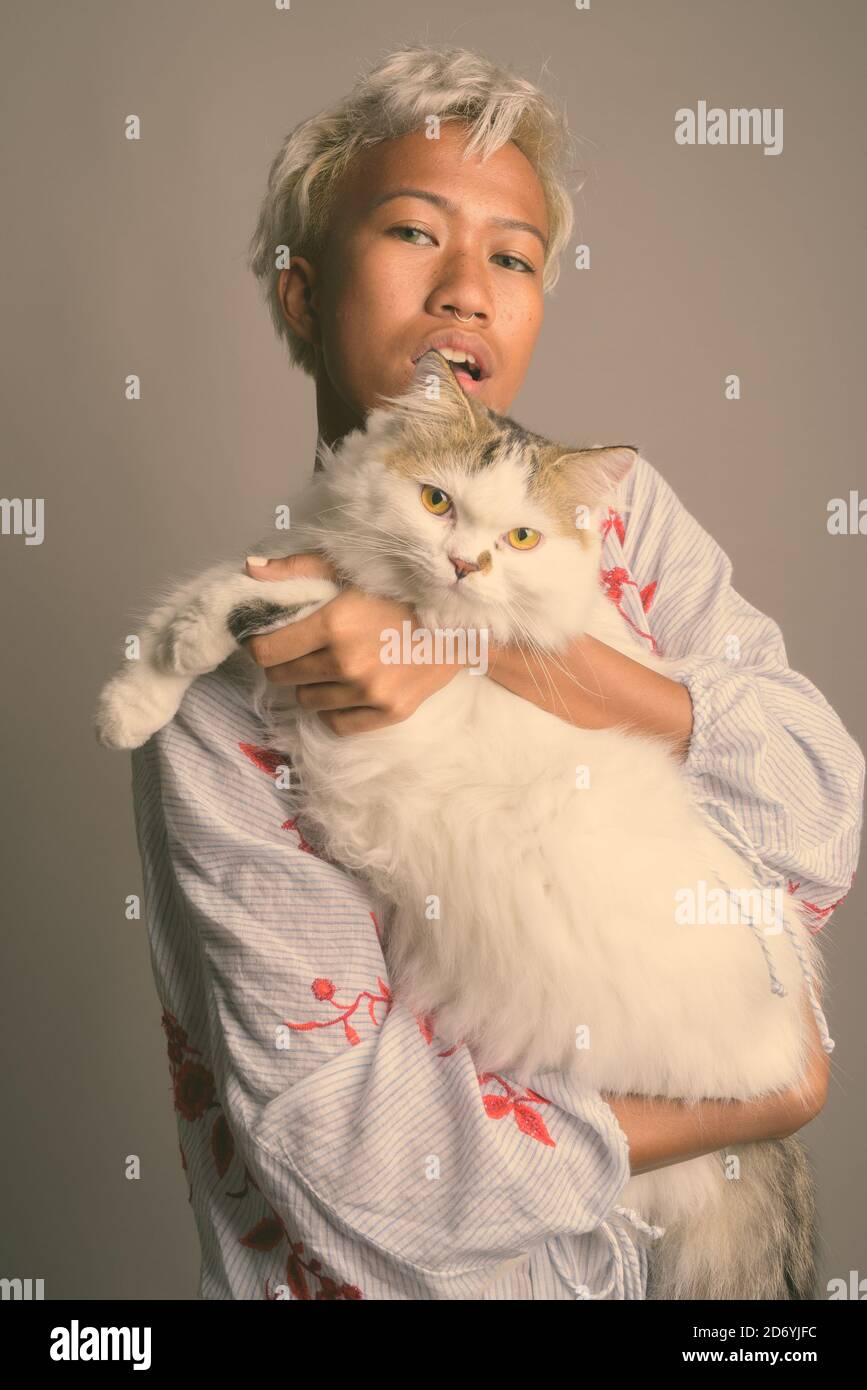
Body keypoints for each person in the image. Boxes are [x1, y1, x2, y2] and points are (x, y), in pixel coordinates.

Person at [131, 43, 864, 1300]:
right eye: (416, 232)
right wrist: (757, 1098)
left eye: (514, 256)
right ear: (301, 296)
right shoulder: (226, 705)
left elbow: (818, 816)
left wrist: (502, 654)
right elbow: (356, 1166)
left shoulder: (624, 525)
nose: (468, 287)